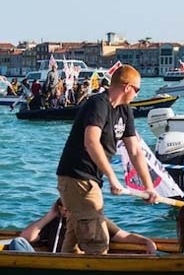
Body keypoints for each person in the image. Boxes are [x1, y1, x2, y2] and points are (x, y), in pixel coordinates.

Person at [56, 64, 158, 255]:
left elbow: (135, 151)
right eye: (137, 90)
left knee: (74, 241)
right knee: (98, 240)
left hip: (91, 181)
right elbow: (91, 142)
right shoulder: (98, 104)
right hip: (77, 178)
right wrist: (112, 178)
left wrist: (148, 186)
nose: (137, 94)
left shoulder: (125, 111)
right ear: (127, 87)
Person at [7, 198, 157, 254]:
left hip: (76, 263)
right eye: (62, 207)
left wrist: (146, 241)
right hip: (51, 263)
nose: (66, 210)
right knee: (17, 243)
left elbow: (124, 236)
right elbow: (26, 238)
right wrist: (50, 215)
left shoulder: (94, 220)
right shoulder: (54, 222)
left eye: (69, 206)